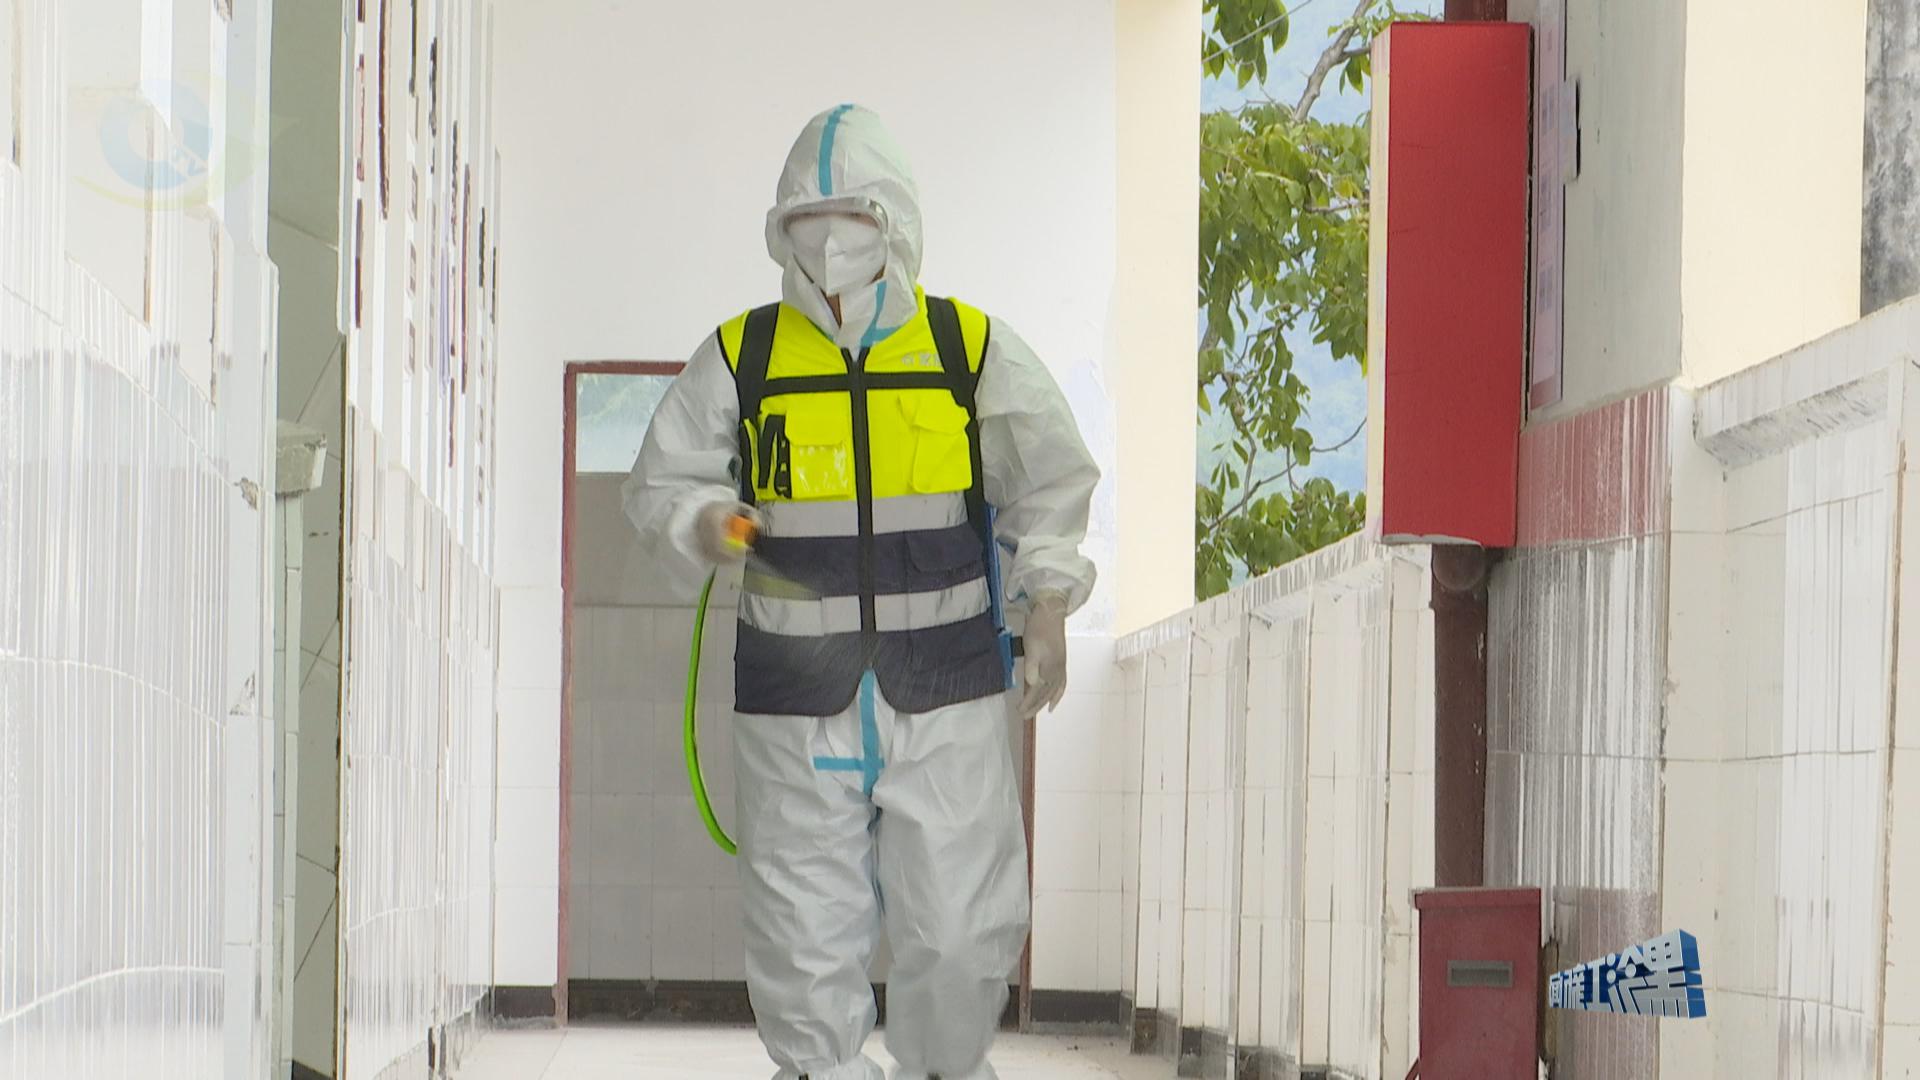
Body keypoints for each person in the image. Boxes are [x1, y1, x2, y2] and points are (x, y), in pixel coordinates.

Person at [622, 103, 1099, 1080]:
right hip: (796, 698)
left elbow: (1050, 476)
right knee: (802, 938)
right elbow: (660, 483)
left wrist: (1047, 601)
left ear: (896, 224)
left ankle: (942, 1068)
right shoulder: (743, 356)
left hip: (948, 687)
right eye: (811, 221)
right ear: (782, 231)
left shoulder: (966, 348)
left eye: (853, 220)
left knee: (963, 930)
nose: (831, 243)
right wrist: (702, 520)